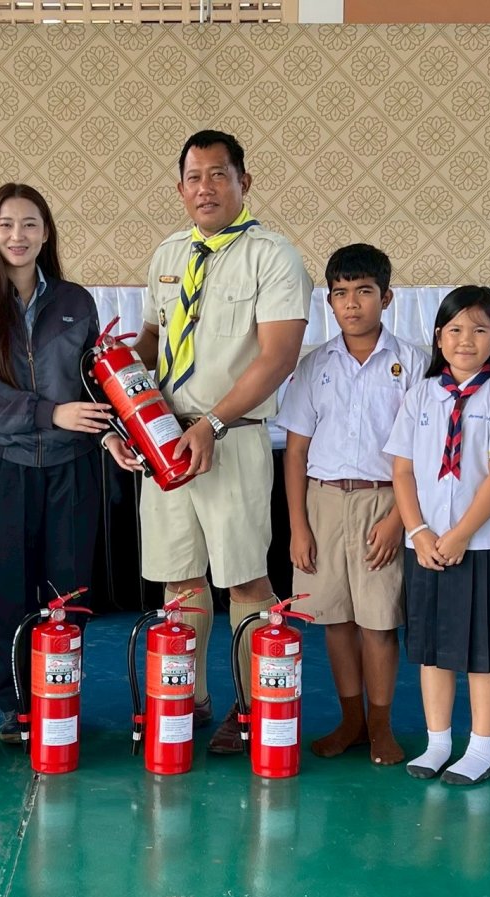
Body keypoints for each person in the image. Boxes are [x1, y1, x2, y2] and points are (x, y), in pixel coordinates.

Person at [107, 130, 312, 753]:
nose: (205, 188)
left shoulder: (273, 256)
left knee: (245, 579)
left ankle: (251, 708)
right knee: (179, 580)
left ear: (244, 183)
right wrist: (120, 401)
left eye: (218, 175)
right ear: (180, 189)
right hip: (165, 438)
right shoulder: (168, 254)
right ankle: (189, 698)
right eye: (194, 178)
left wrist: (213, 423)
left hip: (231, 437)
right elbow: (151, 344)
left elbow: (278, 356)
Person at [0, 183, 108, 743]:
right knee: (11, 591)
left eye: (30, 224)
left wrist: (114, 431)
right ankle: (16, 705)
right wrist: (50, 412)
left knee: (69, 591)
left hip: (73, 464)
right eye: (6, 224)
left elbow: (95, 379)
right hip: (4, 465)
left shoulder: (75, 301)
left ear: (46, 233)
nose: (17, 235)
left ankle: (60, 699)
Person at [272, 243, 411, 765]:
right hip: (324, 503)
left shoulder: (412, 364)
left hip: (384, 502)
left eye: (364, 291)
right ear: (329, 301)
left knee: (378, 621)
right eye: (340, 293)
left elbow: (419, 455)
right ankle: (350, 720)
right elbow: (296, 452)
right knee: (335, 620)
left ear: (386, 297)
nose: (352, 303)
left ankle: (380, 725)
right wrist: (298, 526)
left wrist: (398, 520)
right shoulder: (314, 366)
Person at [386, 287, 490, 784]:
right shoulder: (420, 394)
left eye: (480, 330)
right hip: (424, 547)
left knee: (483, 655)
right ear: (439, 337)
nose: (467, 340)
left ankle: (482, 748)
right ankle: (438, 742)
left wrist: (462, 533)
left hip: (480, 546)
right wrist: (419, 531)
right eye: (456, 329)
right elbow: (402, 470)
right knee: (432, 651)